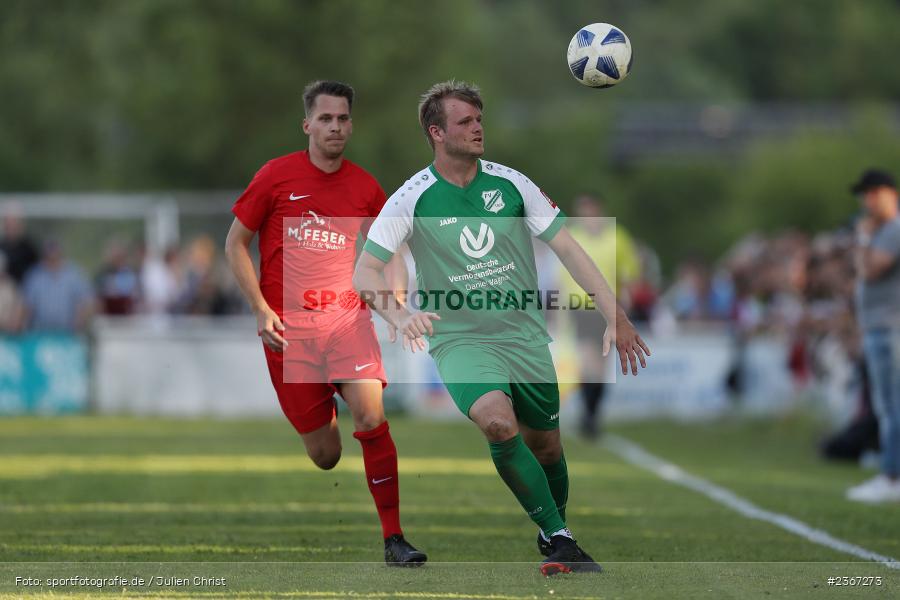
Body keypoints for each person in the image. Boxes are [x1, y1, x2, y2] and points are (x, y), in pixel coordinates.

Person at [353, 80, 650, 575]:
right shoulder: (412, 198)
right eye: (465, 122)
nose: (477, 129)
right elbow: (364, 270)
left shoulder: (512, 184)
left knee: (547, 446)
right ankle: (560, 538)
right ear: (436, 132)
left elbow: (570, 249)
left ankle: (553, 530)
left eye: (479, 120)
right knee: (496, 422)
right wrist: (399, 313)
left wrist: (614, 314)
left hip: (525, 338)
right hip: (460, 339)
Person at [224, 80, 426, 564]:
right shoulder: (275, 177)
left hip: (346, 322)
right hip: (289, 336)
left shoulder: (365, 186)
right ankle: (324, 411)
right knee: (326, 456)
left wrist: (396, 303)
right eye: (326, 119)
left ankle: (394, 539)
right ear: (308, 124)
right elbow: (235, 244)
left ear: (351, 125)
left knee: (374, 417)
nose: (335, 127)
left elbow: (394, 248)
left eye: (343, 119)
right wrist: (260, 307)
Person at [556, 194, 641, 439]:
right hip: (580, 307)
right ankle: (589, 415)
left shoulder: (618, 237)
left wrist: (626, 306)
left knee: (601, 367)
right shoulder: (574, 237)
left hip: (608, 307)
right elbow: (563, 278)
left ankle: (591, 413)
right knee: (588, 361)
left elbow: (630, 275)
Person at [846, 169, 900, 503]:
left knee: (892, 406)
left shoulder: (892, 230)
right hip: (880, 326)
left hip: (891, 327)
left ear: (887, 193)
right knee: (887, 406)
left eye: (871, 193)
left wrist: (864, 239)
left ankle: (892, 476)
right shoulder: (883, 230)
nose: (866, 201)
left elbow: (870, 270)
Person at [22, 241, 94, 332]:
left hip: (69, 333)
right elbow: (27, 306)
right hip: (40, 333)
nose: (53, 260)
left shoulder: (75, 274)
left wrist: (80, 320)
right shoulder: (34, 276)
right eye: (49, 257)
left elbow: (87, 302)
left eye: (55, 257)